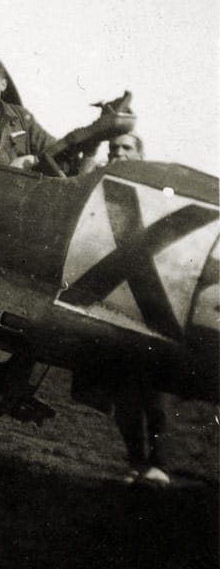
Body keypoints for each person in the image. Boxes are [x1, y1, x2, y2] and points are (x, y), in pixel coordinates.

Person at [105, 133, 175, 486]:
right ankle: (135, 462)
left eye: (126, 148)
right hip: (115, 309)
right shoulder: (101, 190)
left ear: (141, 154)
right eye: (113, 149)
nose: (118, 154)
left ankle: (158, 464)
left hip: (151, 308)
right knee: (124, 401)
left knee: (155, 399)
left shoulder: (155, 194)